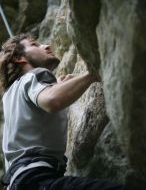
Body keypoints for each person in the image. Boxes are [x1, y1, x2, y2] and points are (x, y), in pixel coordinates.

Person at [0, 34, 126, 190]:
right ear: (19, 58)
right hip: (36, 180)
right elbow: (53, 100)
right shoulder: (34, 75)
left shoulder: (10, 96)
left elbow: (43, 101)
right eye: (34, 44)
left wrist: (55, 86)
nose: (46, 46)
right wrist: (92, 73)